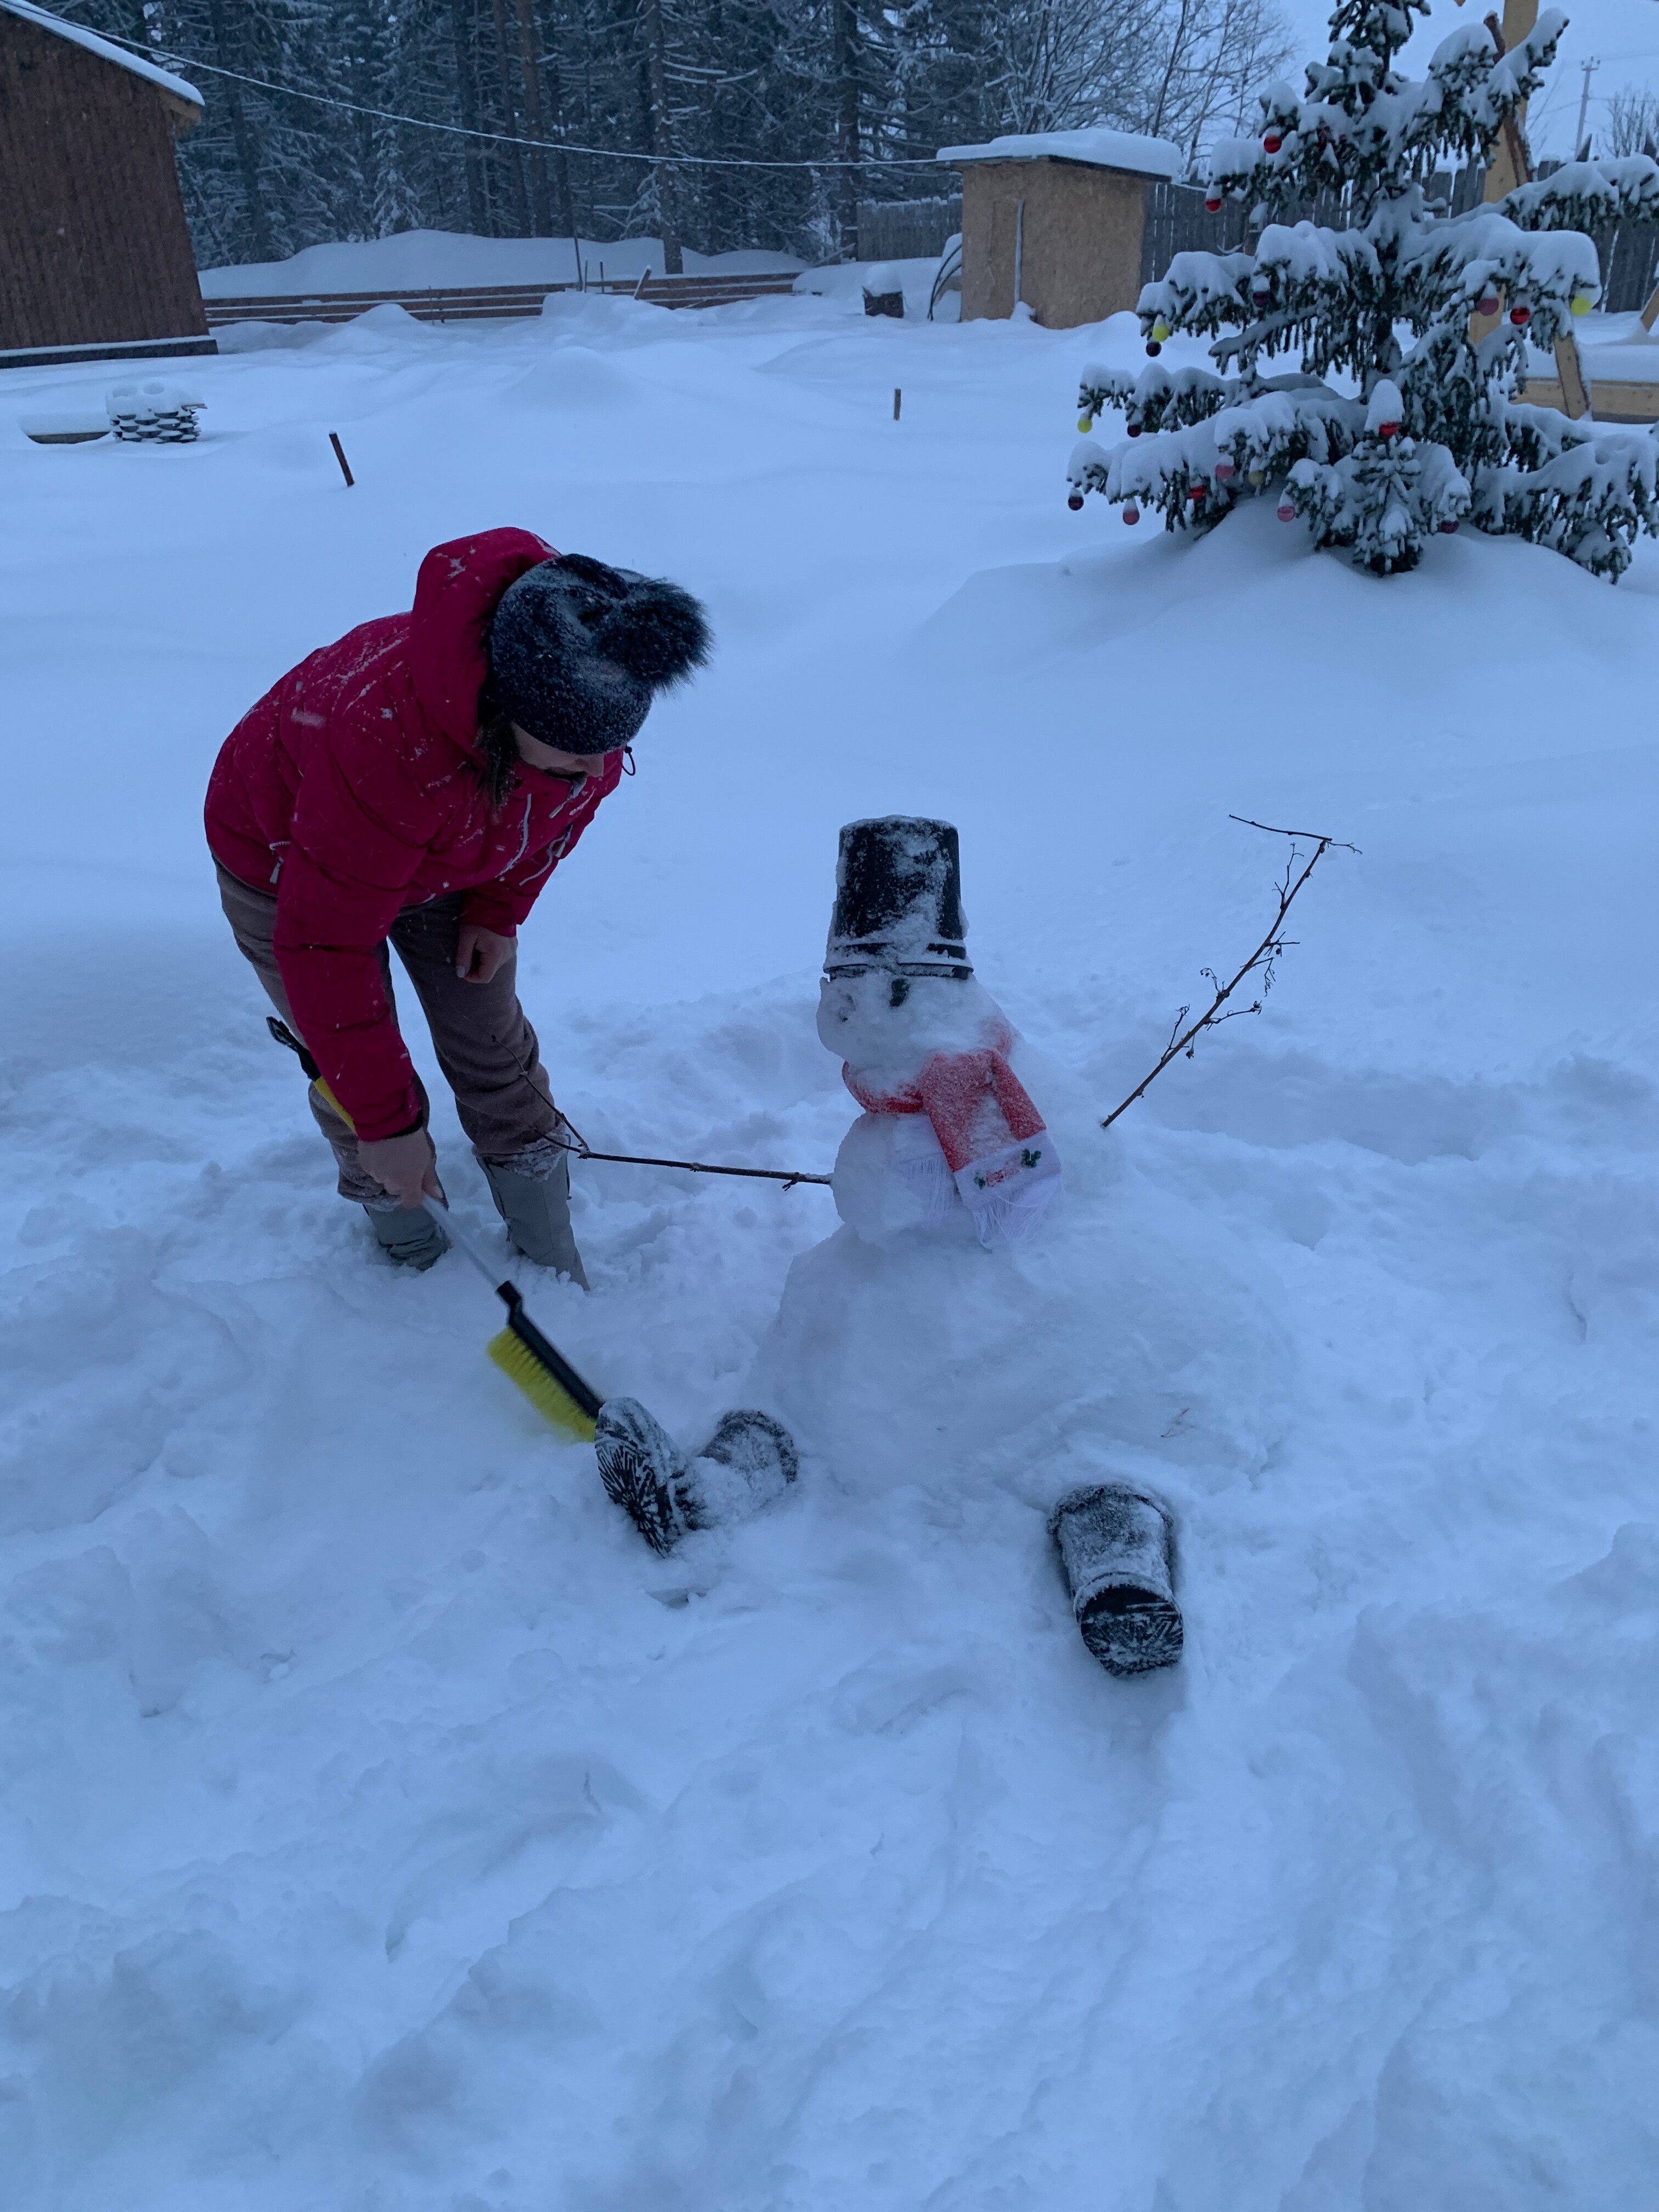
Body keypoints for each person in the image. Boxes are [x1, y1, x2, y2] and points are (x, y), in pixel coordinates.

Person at [205, 527, 710, 1276]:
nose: (598, 768)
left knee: (491, 1042)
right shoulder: (387, 741)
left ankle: (546, 1247)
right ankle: (411, 1248)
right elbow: (326, 949)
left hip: (449, 852)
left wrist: (498, 909)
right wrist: (386, 1127)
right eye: (576, 751)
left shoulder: (578, 723)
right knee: (351, 1068)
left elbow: (550, 819)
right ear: (505, 711)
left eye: (610, 747)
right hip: (287, 865)